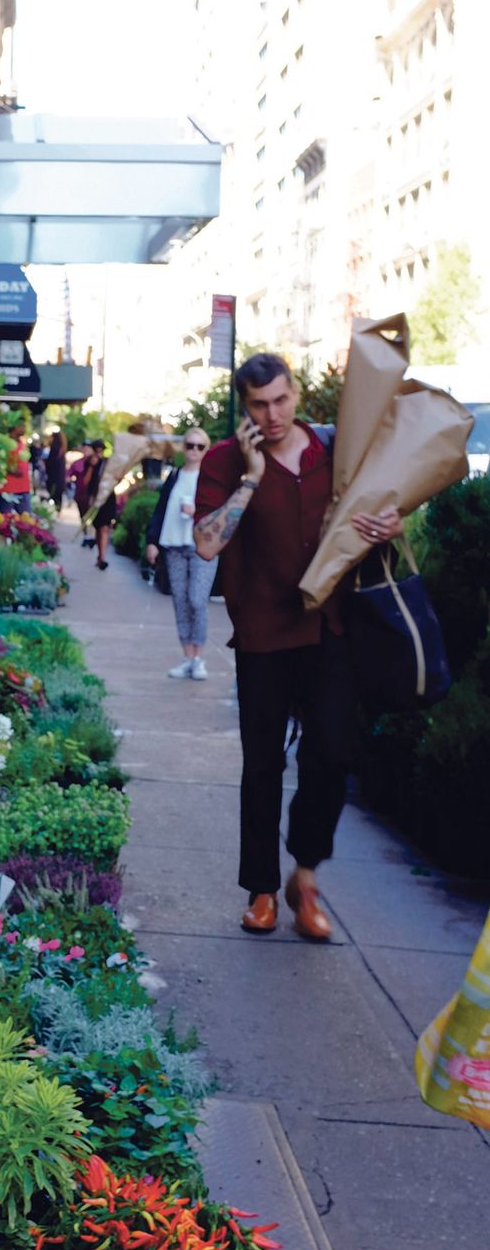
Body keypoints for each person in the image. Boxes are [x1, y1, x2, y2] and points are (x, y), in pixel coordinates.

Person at [193, 352, 402, 942]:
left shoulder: (334, 450)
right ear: (244, 408)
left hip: (330, 627)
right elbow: (206, 543)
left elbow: (381, 510)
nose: (273, 414)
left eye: (281, 399)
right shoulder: (225, 460)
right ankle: (261, 890)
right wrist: (252, 477)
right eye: (259, 405)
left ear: (296, 394)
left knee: (332, 754)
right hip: (263, 632)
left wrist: (391, 525)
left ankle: (304, 877)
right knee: (262, 763)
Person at [145, 431, 214, 678]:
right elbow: (161, 509)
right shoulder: (174, 476)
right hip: (174, 544)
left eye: (200, 446)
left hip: (201, 547)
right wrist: (152, 541)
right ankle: (188, 657)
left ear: (206, 450)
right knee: (181, 603)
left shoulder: (210, 479)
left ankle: (199, 658)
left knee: (197, 600)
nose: (194, 450)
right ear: (183, 447)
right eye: (190, 445)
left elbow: (220, 512)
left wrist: (197, 511)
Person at [73, 438, 117, 568]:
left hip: (107, 498)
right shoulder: (88, 464)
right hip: (95, 498)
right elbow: (85, 482)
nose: (99, 453)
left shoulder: (108, 463)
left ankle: (102, 557)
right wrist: (92, 466)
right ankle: (100, 555)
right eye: (97, 450)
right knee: (99, 527)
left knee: (105, 527)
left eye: (100, 451)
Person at [0, 418, 33, 513]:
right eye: (21, 425)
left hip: (23, 488)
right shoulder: (5, 442)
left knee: (26, 519)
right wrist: (11, 470)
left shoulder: (22, 442)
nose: (24, 428)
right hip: (8, 490)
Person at [45, 428, 67, 511]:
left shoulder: (55, 448)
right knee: (58, 499)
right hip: (59, 479)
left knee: (54, 497)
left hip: (54, 479)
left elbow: (50, 464)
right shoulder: (61, 450)